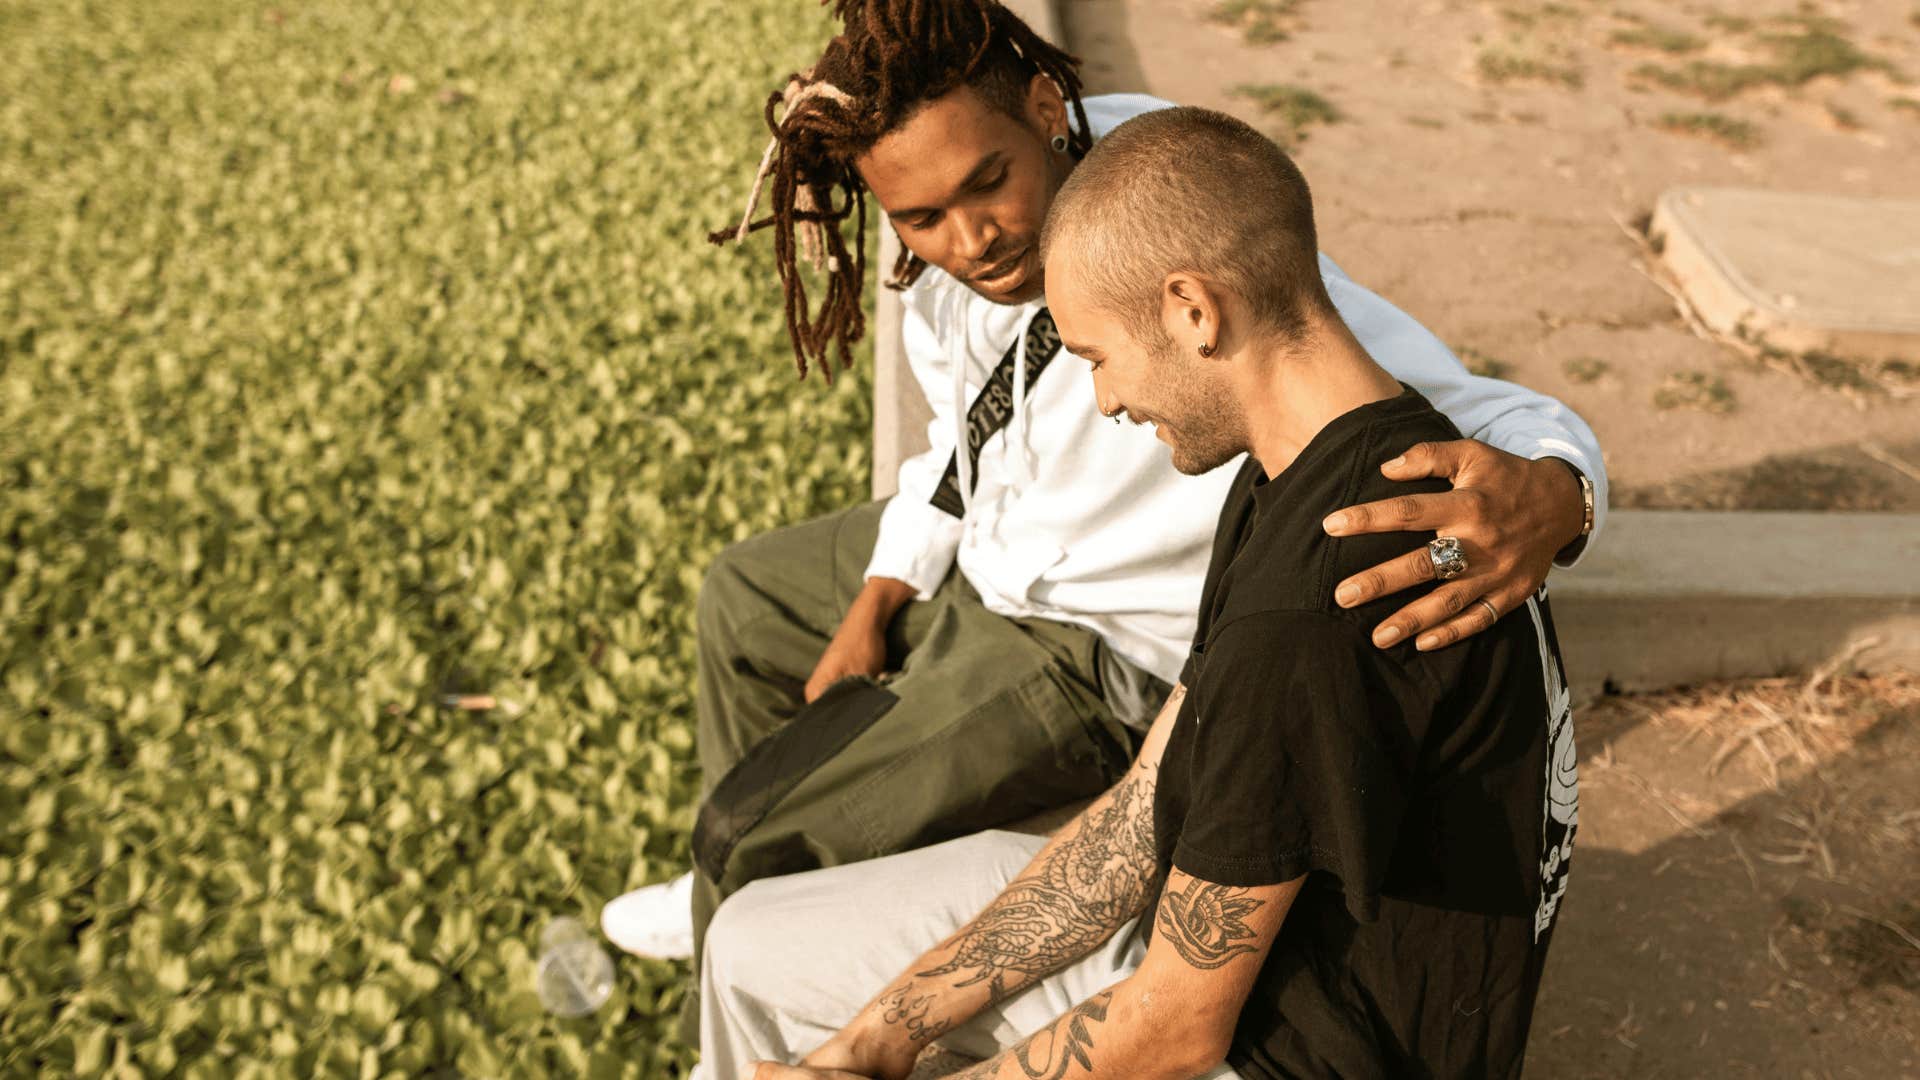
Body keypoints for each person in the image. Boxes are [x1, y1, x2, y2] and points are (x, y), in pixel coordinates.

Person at [602, 0, 1602, 1015]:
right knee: (741, 596)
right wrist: (878, 595)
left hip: (1086, 641)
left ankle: (739, 935)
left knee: (752, 831)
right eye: (922, 217)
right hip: (994, 547)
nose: (972, 236)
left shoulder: (1163, 216)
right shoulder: (950, 264)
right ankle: (754, 872)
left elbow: (1437, 393)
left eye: (986, 184)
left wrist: (1559, 497)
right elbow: (961, 446)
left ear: (1045, 107)